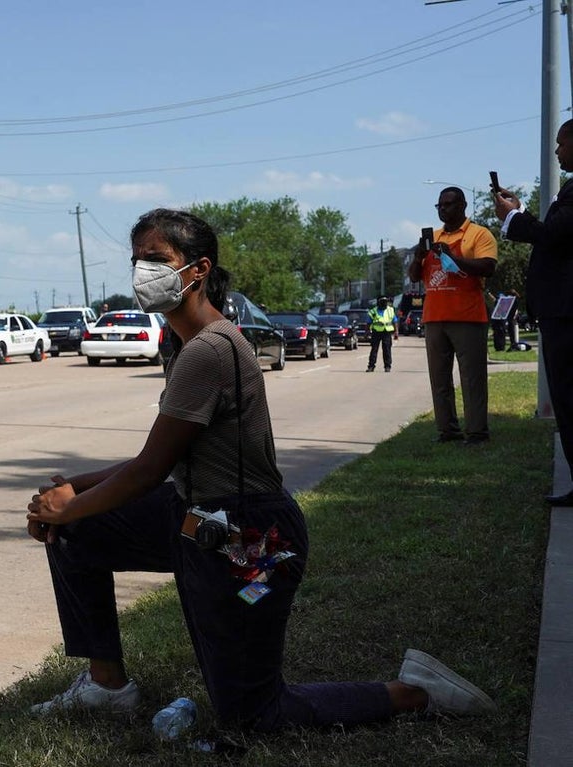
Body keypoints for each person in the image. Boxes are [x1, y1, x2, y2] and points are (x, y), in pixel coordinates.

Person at [25, 208, 495, 731]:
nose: (142, 273)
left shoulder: (211, 349)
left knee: (253, 716)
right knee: (80, 530)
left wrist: (69, 505)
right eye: (137, 261)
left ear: (197, 269)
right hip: (196, 517)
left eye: (156, 260)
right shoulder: (182, 344)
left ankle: (413, 692)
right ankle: (107, 686)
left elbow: (150, 469)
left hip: (252, 541)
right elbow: (161, 457)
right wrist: (72, 495)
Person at [494, 118, 573, 504]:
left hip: (567, 313)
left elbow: (553, 236)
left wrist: (512, 217)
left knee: (569, 396)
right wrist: (520, 210)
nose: (557, 152)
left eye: (561, 144)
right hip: (560, 312)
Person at [408, 187, 498, 446]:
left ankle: (477, 432)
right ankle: (447, 430)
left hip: (467, 317)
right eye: (439, 206)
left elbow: (488, 267)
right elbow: (415, 276)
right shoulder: (432, 238)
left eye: (448, 204)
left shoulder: (479, 234)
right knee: (439, 378)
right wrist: (418, 257)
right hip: (434, 317)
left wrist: (452, 256)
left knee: (472, 378)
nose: (443, 209)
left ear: (462, 205)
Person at [366, 296, 397, 372]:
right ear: (378, 303)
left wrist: (396, 332)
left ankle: (387, 366)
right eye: (382, 302)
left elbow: (395, 321)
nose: (384, 304)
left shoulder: (390, 310)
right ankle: (371, 366)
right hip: (376, 332)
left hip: (387, 332)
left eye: (385, 302)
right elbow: (368, 323)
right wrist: (367, 333)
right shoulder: (373, 311)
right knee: (374, 349)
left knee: (387, 349)